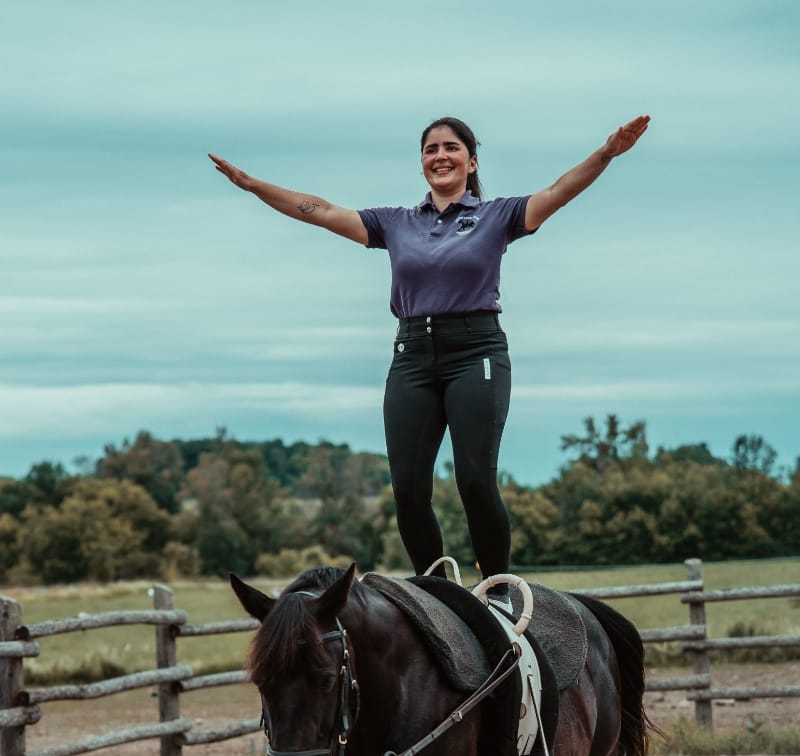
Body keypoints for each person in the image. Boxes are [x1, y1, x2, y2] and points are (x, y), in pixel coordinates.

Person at [209, 114, 649, 608]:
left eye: (452, 147)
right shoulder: (396, 223)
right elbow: (319, 210)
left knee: (474, 481)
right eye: (431, 149)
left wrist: (606, 153)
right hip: (412, 356)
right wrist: (251, 185)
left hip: (476, 351)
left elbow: (559, 189)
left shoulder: (497, 216)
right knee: (408, 490)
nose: (440, 155)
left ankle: (499, 590)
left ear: (471, 160)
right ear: (422, 163)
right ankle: (437, 592)